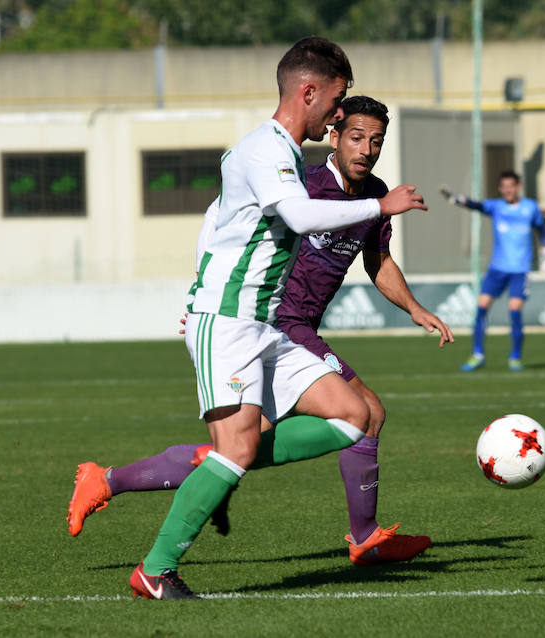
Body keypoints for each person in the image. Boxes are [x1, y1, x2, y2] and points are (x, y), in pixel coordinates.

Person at [67, 97, 452, 574]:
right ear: (334, 136)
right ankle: (365, 539)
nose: (366, 149)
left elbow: (377, 261)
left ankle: (108, 480)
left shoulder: (374, 192)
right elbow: (221, 216)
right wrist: (204, 295)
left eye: (376, 141)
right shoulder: (304, 181)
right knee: (365, 413)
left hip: (295, 330)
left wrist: (415, 308)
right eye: (356, 137)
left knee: (237, 450)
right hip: (275, 322)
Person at [124, 37, 427, 600]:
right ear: (308, 92)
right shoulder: (264, 150)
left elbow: (219, 218)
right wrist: (380, 206)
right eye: (336, 103)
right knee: (237, 449)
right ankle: (156, 569)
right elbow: (296, 214)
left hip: (263, 326)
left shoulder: (282, 152)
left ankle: (217, 470)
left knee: (353, 416)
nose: (339, 114)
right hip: (231, 321)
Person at [440, 171, 545, 372]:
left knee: (514, 310)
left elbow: (541, 230)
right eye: (504, 186)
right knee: (481, 307)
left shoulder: (530, 208)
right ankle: (477, 354)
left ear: (518, 186)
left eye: (511, 185)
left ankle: (515, 356)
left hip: (519, 270)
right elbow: (476, 205)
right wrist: (456, 199)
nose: (507, 190)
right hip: (497, 268)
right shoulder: (496, 207)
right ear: (500, 189)